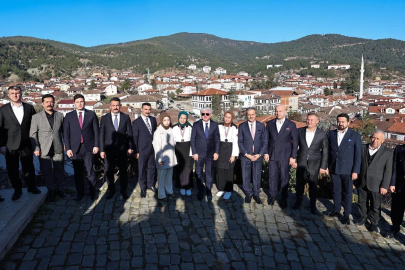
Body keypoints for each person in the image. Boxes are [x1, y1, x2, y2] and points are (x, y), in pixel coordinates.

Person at [0, 86, 40, 201]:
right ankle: (17, 190)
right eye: (12, 93)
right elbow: (0, 130)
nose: (15, 95)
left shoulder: (29, 108)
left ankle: (31, 187)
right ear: (8, 95)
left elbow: (34, 127)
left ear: (21, 94)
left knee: (29, 167)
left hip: (26, 143)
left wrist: (35, 144)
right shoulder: (3, 110)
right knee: (12, 169)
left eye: (17, 93)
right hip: (10, 144)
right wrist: (1, 146)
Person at [354, 130, 392, 233]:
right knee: (362, 201)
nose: (375, 140)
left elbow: (388, 171)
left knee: (375, 205)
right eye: (373, 137)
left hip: (377, 183)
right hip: (362, 180)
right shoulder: (363, 148)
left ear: (382, 140)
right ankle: (363, 217)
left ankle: (374, 224)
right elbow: (357, 162)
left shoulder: (388, 153)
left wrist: (385, 186)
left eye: (378, 138)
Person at [63, 94, 99, 201]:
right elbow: (66, 133)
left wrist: (96, 145)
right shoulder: (69, 116)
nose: (80, 103)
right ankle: (80, 193)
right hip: (75, 148)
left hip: (89, 147)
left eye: (82, 101)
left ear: (84, 102)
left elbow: (96, 131)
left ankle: (92, 192)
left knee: (90, 171)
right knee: (77, 173)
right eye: (77, 101)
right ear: (74, 103)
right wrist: (68, 148)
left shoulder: (91, 114)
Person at [29, 94, 65, 202]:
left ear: (54, 103)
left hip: (58, 147)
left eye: (51, 102)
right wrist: (36, 148)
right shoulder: (36, 117)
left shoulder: (60, 115)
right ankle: (51, 190)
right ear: (43, 103)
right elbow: (33, 134)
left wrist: (65, 144)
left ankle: (60, 190)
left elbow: (64, 132)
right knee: (47, 171)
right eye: (47, 102)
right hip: (44, 149)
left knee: (59, 170)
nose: (49, 104)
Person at [327, 113, 361, 225]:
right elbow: (328, 151)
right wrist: (327, 166)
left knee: (347, 193)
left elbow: (357, 155)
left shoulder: (355, 135)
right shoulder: (331, 134)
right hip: (334, 167)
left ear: (348, 122)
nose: (340, 124)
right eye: (339, 121)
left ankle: (346, 215)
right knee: (336, 191)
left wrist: (355, 171)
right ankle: (336, 210)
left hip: (348, 170)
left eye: (342, 122)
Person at [292, 112, 328, 214]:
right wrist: (294, 159)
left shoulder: (322, 133)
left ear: (317, 121)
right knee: (299, 184)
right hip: (301, 162)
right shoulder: (300, 131)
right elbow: (295, 146)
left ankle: (312, 205)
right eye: (308, 119)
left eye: (312, 120)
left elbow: (325, 151)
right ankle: (298, 202)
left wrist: (323, 166)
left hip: (315, 164)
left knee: (313, 185)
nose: (309, 121)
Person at [265, 105, 298, 208]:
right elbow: (266, 140)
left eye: (280, 111)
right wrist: (266, 152)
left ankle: (284, 197)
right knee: (272, 177)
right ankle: (272, 195)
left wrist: (293, 156)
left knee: (284, 178)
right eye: (276, 111)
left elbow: (295, 142)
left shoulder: (291, 124)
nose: (278, 113)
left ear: (285, 112)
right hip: (273, 154)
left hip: (285, 155)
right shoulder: (270, 124)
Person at [99, 97, 133, 200]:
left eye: (117, 105)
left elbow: (130, 133)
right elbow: (101, 135)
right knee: (109, 171)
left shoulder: (125, 117)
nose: (115, 107)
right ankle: (111, 190)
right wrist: (102, 150)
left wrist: (130, 147)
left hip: (122, 149)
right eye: (113, 105)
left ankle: (124, 191)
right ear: (110, 106)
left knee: (123, 171)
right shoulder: (104, 118)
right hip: (109, 150)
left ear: (120, 106)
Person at [238, 108, 268, 204]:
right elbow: (240, 142)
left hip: (258, 156)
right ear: (247, 115)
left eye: (252, 114)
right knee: (245, 175)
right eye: (249, 114)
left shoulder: (261, 125)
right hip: (245, 156)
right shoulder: (242, 126)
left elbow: (265, 141)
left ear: (256, 115)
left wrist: (259, 154)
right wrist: (247, 154)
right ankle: (248, 194)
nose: (251, 116)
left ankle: (256, 194)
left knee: (257, 176)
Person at [190, 107, 220, 202]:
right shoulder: (196, 124)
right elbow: (193, 139)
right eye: (203, 114)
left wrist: (216, 152)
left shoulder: (215, 125)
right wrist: (194, 152)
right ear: (201, 115)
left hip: (211, 153)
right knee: (198, 173)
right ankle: (200, 190)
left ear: (210, 115)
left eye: (207, 114)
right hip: (199, 153)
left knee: (209, 173)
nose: (205, 116)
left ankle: (208, 190)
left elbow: (217, 140)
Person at [132, 102, 157, 198]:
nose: (147, 111)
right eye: (146, 109)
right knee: (141, 169)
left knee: (151, 168)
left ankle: (150, 185)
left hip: (152, 149)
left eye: (149, 109)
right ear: (141, 109)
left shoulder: (153, 120)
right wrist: (136, 151)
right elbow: (135, 137)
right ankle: (143, 187)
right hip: (142, 150)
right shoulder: (136, 122)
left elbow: (154, 133)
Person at [152, 112, 177, 200]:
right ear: (161, 121)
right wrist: (160, 159)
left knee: (169, 176)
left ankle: (169, 191)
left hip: (170, 157)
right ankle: (161, 195)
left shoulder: (170, 129)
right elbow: (157, 146)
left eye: (168, 120)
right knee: (161, 177)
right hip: (162, 157)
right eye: (164, 120)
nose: (166, 122)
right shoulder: (158, 132)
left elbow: (173, 142)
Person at [216, 111, 239, 200]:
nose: (227, 119)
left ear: (232, 119)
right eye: (226, 116)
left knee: (229, 171)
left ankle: (229, 190)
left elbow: (235, 142)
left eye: (229, 117)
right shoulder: (219, 126)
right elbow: (216, 140)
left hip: (229, 149)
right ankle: (221, 189)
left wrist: (233, 155)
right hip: (220, 149)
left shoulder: (234, 128)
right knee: (220, 171)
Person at [172, 111, 193, 196]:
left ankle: (188, 187)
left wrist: (193, 152)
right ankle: (181, 186)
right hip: (178, 148)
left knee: (188, 169)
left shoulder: (190, 127)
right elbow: (172, 141)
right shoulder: (174, 128)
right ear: (178, 118)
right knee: (180, 169)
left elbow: (193, 141)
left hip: (188, 148)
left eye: (184, 118)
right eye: (181, 118)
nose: (183, 120)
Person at [386, 144, 405, 238]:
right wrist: (392, 183)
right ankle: (394, 228)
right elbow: (394, 167)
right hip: (399, 185)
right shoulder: (399, 148)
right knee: (397, 209)